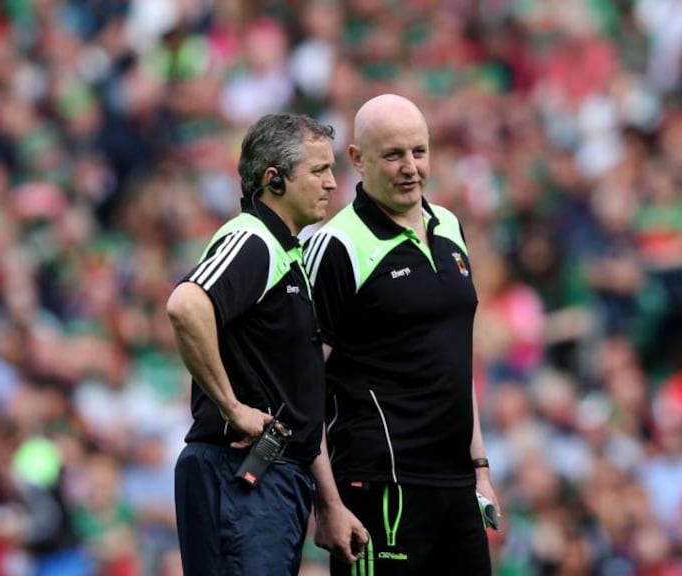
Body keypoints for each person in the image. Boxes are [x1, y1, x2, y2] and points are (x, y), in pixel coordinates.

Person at [305, 94, 498, 575]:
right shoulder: (337, 246)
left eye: (419, 151)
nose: (410, 167)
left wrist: (480, 470)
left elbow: (455, 358)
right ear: (357, 160)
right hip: (379, 491)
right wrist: (326, 501)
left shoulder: (449, 225)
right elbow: (301, 385)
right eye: (393, 155)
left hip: (456, 486)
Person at [167, 113, 347, 575]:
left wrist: (327, 502)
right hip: (241, 475)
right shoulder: (253, 237)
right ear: (274, 180)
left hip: (268, 478)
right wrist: (232, 406)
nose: (331, 183)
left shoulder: (289, 253)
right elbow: (187, 306)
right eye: (318, 170)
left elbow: (298, 398)